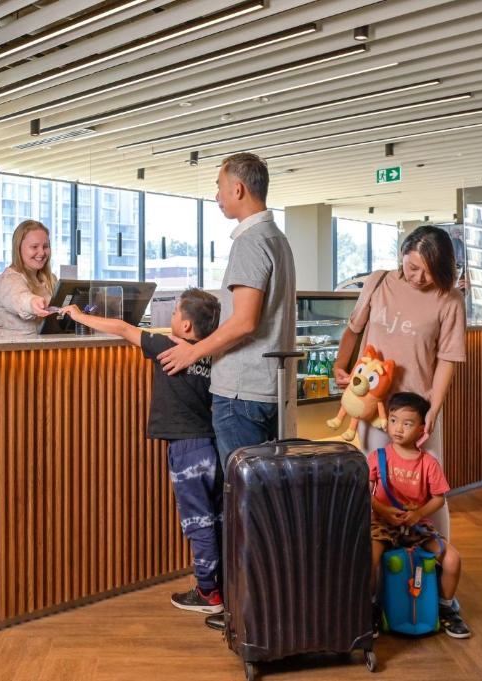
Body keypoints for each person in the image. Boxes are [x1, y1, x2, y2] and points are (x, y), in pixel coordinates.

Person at [158, 152, 296, 631]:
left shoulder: (251, 240)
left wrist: (194, 352)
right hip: (265, 392)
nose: (216, 195)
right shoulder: (277, 239)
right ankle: (258, 602)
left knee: (241, 504)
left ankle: (242, 608)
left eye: (219, 186)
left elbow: (244, 320)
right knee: (258, 500)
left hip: (240, 393)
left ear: (239, 188)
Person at [60, 289, 225, 615]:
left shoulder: (168, 348)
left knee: (197, 522)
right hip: (212, 446)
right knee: (216, 518)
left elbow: (123, 329)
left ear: (187, 326)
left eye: (175, 314)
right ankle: (224, 583)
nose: (171, 319)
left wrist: (78, 316)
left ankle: (209, 593)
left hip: (186, 449)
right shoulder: (211, 355)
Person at [332, 225, 466, 539]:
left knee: (426, 488)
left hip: (418, 408)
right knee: (377, 484)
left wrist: (434, 407)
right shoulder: (379, 282)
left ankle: (436, 563)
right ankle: (380, 571)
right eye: (413, 267)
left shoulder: (450, 299)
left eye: (429, 271)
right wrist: (341, 366)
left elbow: (448, 358)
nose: (419, 278)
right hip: (373, 407)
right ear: (402, 257)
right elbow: (353, 329)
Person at [368, 392, 470, 639]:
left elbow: (439, 498)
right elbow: (364, 493)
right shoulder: (378, 457)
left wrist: (418, 514)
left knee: (452, 559)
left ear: (422, 429)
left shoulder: (428, 463)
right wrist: (383, 511)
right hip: (382, 523)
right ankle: (369, 608)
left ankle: (446, 608)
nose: (398, 429)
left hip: (417, 527)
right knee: (368, 557)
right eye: (393, 420)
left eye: (407, 423)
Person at [0, 220, 56, 339]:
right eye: (34, 247)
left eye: (45, 246)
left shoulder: (50, 279)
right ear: (18, 249)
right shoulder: (8, 280)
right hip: (11, 354)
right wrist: (32, 302)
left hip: (42, 352)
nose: (41, 252)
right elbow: (19, 297)